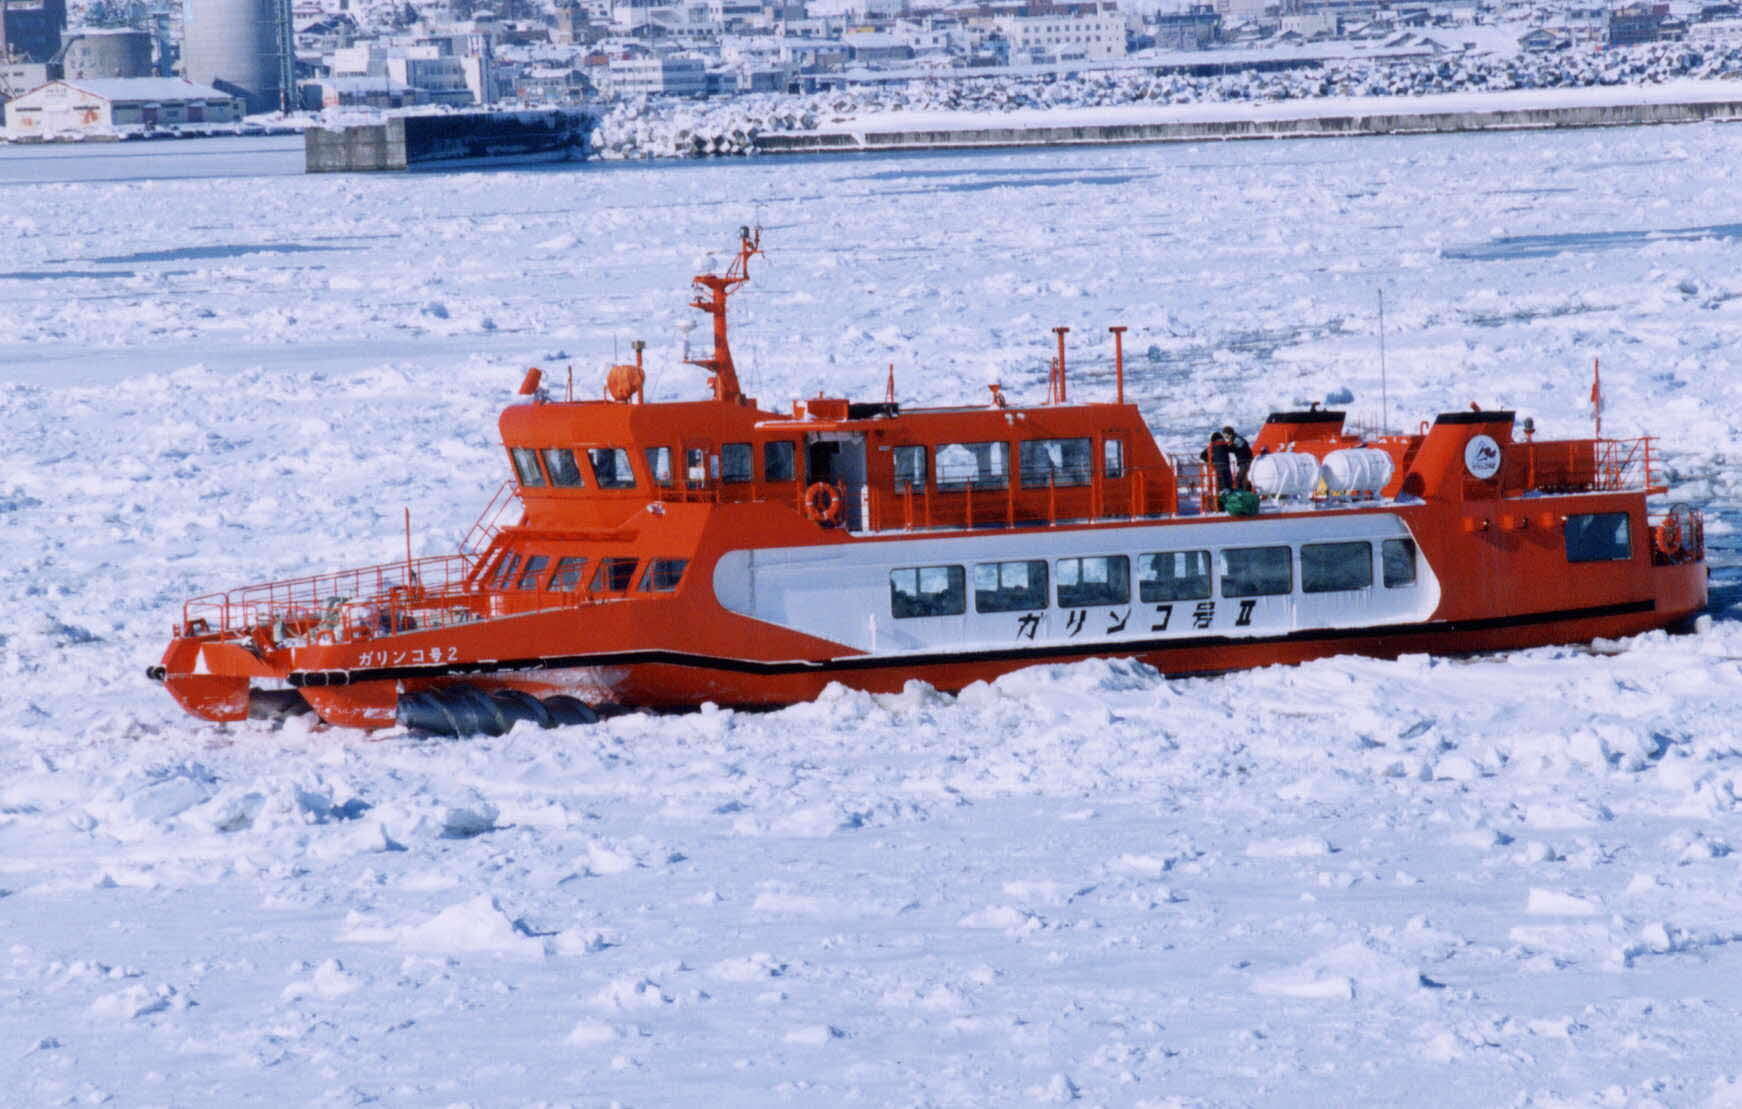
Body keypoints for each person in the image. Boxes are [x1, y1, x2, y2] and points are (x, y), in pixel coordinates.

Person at [1223, 426, 1254, 491]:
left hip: (1245, 461)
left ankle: (1241, 492)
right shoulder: (1235, 439)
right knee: (1242, 478)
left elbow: (1237, 447)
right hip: (1244, 460)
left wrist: (1225, 448)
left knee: (1240, 478)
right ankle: (1243, 492)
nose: (1225, 437)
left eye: (1225, 435)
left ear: (1229, 434)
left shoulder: (1237, 439)